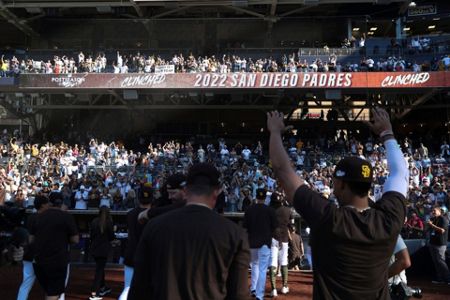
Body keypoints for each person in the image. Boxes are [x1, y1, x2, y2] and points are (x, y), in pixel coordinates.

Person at [267, 107, 408, 299]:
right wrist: (387, 133)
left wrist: (275, 132)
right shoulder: (388, 219)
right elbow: (400, 173)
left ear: (340, 184)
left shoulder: (328, 218)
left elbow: (282, 169)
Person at [129, 163, 250, 300]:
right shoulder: (235, 234)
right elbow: (239, 295)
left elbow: (139, 289)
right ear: (216, 192)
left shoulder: (154, 226)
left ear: (185, 191)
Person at [30, 192, 79, 300]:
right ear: (61, 202)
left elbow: (31, 239)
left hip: (39, 261)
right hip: (58, 261)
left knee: (49, 291)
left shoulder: (38, 216)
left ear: (50, 202)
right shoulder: (66, 216)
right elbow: (75, 239)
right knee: (54, 293)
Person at [119, 187, 152, 300]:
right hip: (147, 256)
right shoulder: (153, 215)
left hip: (131, 253)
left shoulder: (131, 214)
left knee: (128, 287)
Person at [244, 188, 277, 300]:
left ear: (256, 196)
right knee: (262, 269)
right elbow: (274, 227)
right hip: (265, 243)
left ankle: (253, 288)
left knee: (254, 266)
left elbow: (245, 227)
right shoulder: (270, 210)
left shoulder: (249, 209)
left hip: (252, 242)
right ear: (265, 197)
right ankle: (259, 295)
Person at [17, 195, 50, 300]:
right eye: (47, 203)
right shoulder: (46, 218)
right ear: (43, 205)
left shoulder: (30, 217)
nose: (49, 205)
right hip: (41, 256)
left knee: (26, 282)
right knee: (50, 285)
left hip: (29, 254)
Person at [268, 191, 292, 296]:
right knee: (284, 262)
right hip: (284, 238)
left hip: (273, 238)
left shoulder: (269, 210)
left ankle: (273, 289)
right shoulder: (287, 210)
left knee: (273, 262)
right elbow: (291, 226)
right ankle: (284, 286)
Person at [89, 206, 115, 300]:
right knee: (99, 271)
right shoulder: (109, 222)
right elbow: (112, 237)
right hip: (103, 250)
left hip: (95, 248)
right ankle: (95, 293)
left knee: (100, 268)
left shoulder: (94, 221)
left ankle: (103, 287)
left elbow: (91, 235)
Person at [427, 206, 450, 284]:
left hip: (440, 244)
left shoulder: (444, 219)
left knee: (441, 261)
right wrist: (428, 225)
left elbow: (442, 230)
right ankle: (440, 279)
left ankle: (448, 279)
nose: (433, 212)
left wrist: (432, 225)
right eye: (432, 211)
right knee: (436, 262)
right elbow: (428, 230)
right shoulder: (433, 219)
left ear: (440, 212)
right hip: (432, 242)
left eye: (434, 211)